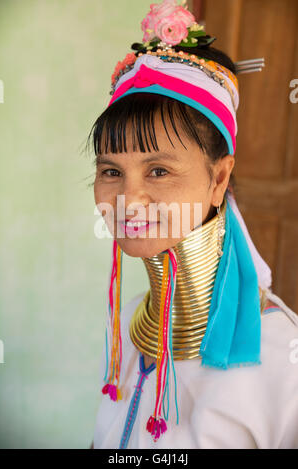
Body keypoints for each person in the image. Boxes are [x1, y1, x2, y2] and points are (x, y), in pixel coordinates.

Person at [87, 0, 298, 449]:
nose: (127, 199)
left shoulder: (282, 358)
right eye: (110, 171)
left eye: (159, 171)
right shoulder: (128, 322)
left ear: (219, 178)